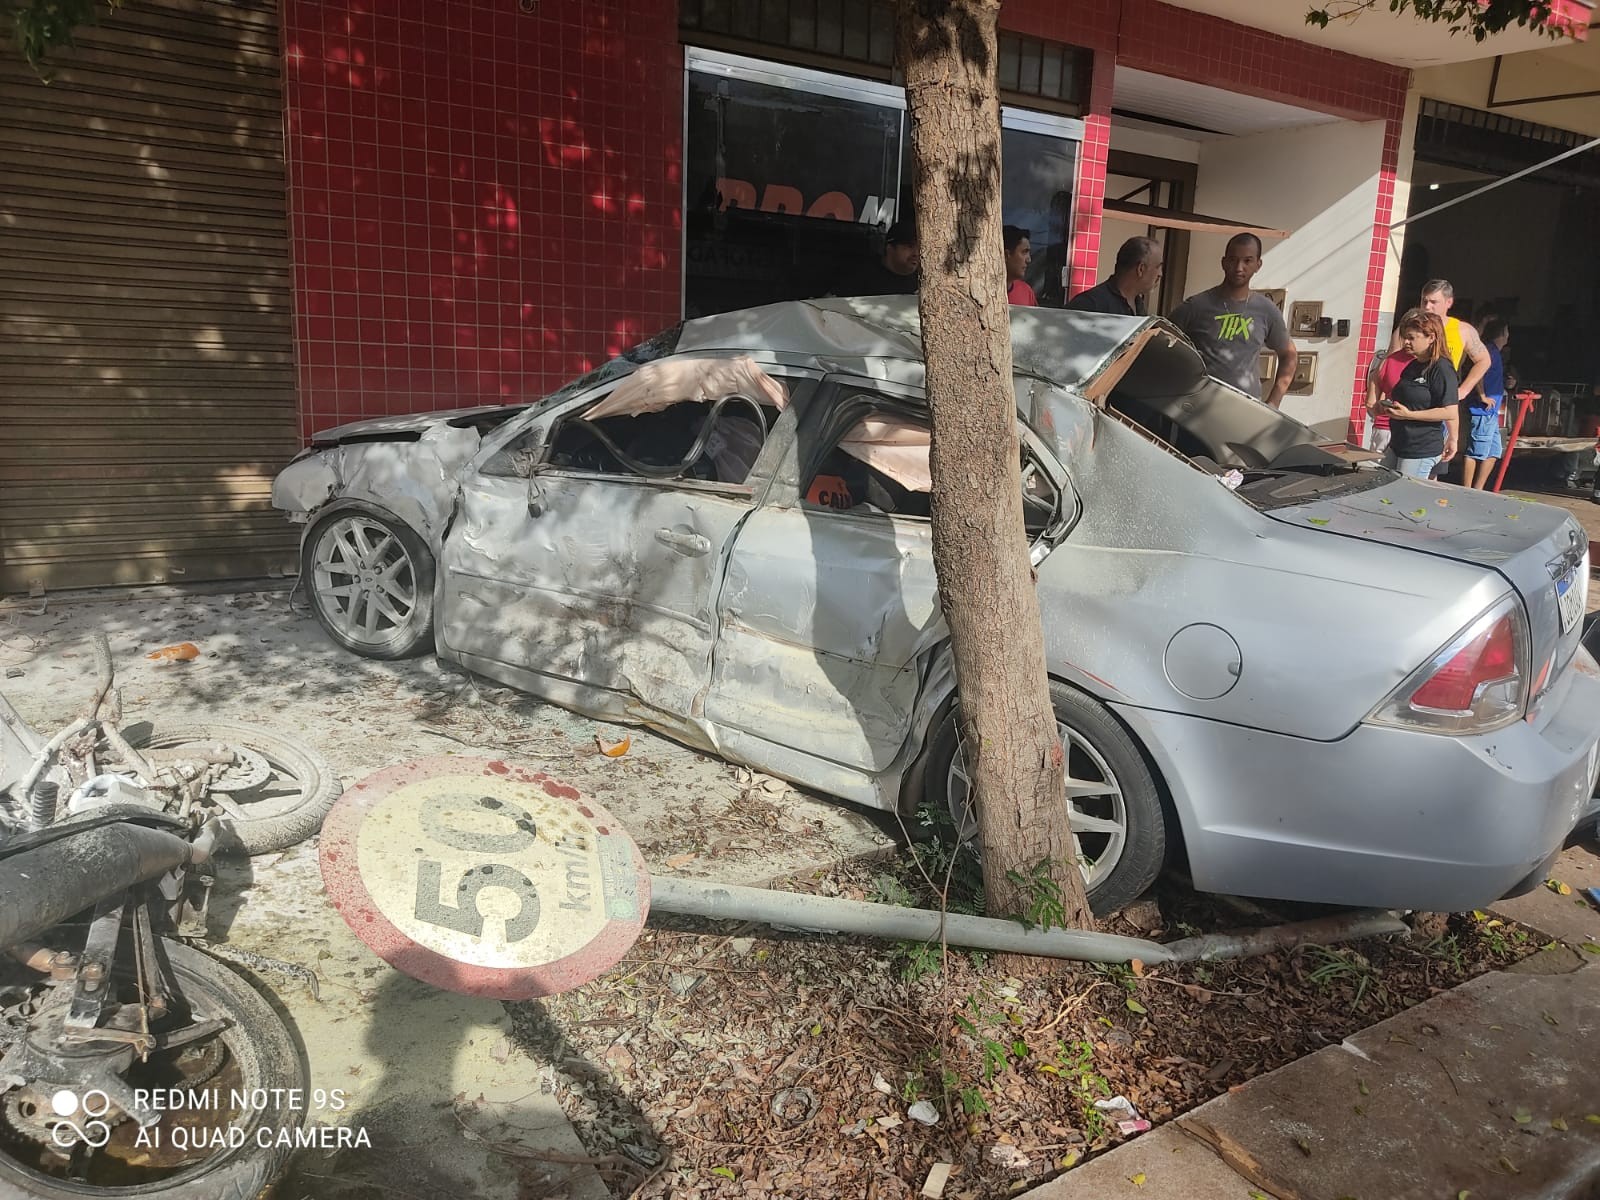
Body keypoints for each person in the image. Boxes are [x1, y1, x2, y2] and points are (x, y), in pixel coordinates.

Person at [1167, 232, 1296, 406]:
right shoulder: (1196, 306)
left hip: (1244, 411)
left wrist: (1274, 402)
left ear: (1258, 265)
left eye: (1247, 261)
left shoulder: (1267, 311)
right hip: (1197, 407)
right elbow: (1159, 342)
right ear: (1224, 262)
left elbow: (1289, 354)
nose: (1239, 267)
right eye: (1233, 260)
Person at [1380, 279, 1489, 465]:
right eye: (1424, 301)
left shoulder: (1462, 330)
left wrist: (1463, 390)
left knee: (1431, 467)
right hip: (1408, 403)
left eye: (1433, 302)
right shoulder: (1410, 328)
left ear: (1449, 302)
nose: (1427, 306)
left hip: (1440, 403)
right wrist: (1385, 395)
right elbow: (1390, 363)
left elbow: (1484, 360)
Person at [1374, 309, 1459, 480]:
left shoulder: (1441, 368)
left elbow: (1449, 411)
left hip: (1420, 448)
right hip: (1398, 444)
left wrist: (1409, 415)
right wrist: (1386, 406)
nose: (1406, 342)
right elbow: (1407, 399)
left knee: (1404, 494)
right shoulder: (1413, 365)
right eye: (1405, 337)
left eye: (1412, 338)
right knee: (1380, 485)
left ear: (1431, 338)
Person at [1462, 319, 1509, 489]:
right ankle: (1467, 489)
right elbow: (1478, 373)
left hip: (1491, 412)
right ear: (1502, 334)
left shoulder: (1495, 352)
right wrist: (1482, 396)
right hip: (1483, 410)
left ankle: (1479, 489)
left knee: (1494, 452)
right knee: (1475, 452)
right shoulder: (1489, 351)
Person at [1066, 236, 1163, 317]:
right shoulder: (1090, 304)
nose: (1160, 274)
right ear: (1141, 269)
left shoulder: (1139, 305)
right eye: (1158, 267)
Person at [827, 220, 919, 297]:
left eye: (920, 248)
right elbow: (828, 304)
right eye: (910, 246)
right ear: (890, 248)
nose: (916, 253)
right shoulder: (861, 274)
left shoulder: (922, 280)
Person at [1003, 226, 1036, 305]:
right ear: (1006, 255)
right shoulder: (981, 291)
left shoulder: (1026, 292)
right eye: (1024, 252)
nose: (1029, 260)